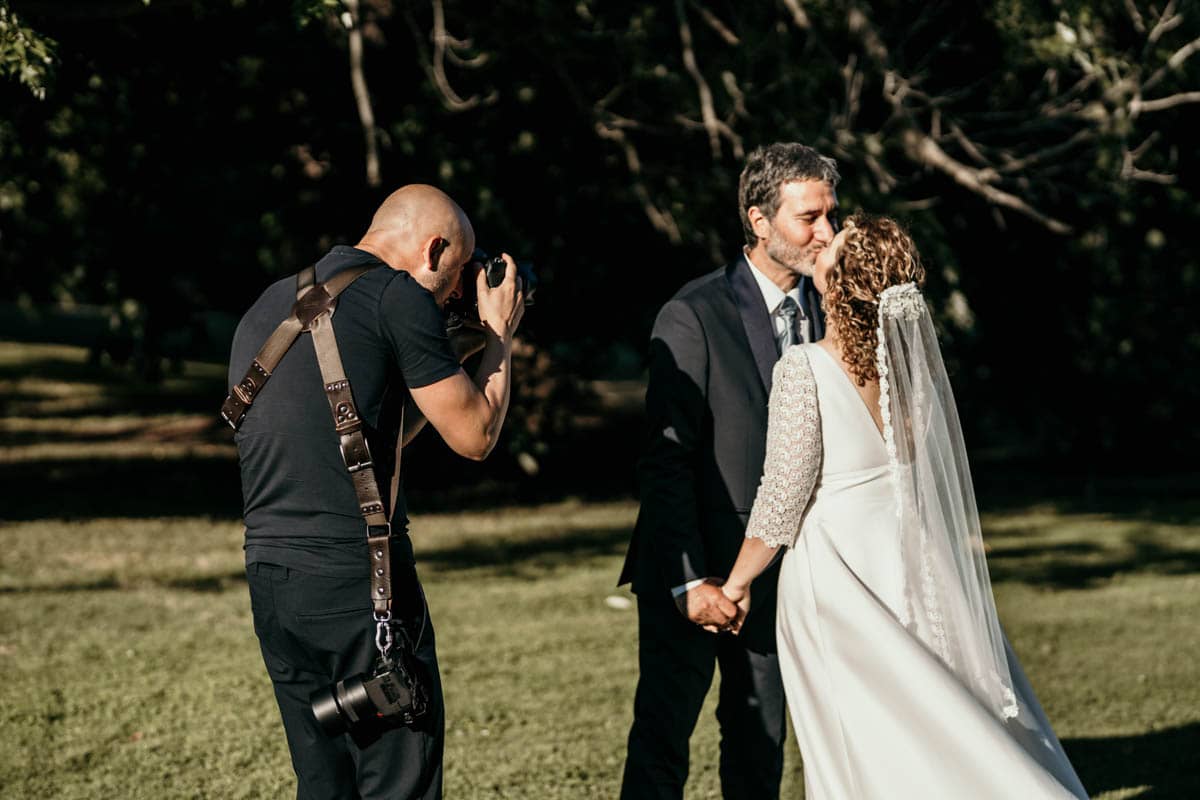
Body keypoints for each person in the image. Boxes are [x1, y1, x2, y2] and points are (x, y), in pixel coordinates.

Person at [720, 214, 1089, 798]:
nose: (821, 241)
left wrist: (737, 582)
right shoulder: (910, 373)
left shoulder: (804, 367)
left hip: (838, 572)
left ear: (839, 282)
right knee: (935, 712)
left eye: (831, 246)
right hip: (912, 555)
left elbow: (785, 491)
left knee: (863, 730)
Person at [228, 184, 524, 800]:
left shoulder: (274, 301)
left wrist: (453, 353)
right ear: (434, 249)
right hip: (360, 587)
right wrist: (497, 334)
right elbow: (475, 435)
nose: (455, 288)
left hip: (275, 583)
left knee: (325, 784)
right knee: (399, 782)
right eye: (458, 272)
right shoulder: (399, 296)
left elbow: (369, 435)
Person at [617, 143, 840, 799]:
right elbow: (666, 459)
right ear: (759, 219)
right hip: (693, 566)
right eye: (809, 217)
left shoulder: (834, 310)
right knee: (664, 735)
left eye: (830, 214)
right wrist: (692, 583)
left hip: (784, 569)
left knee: (760, 738)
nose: (826, 232)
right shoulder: (694, 314)